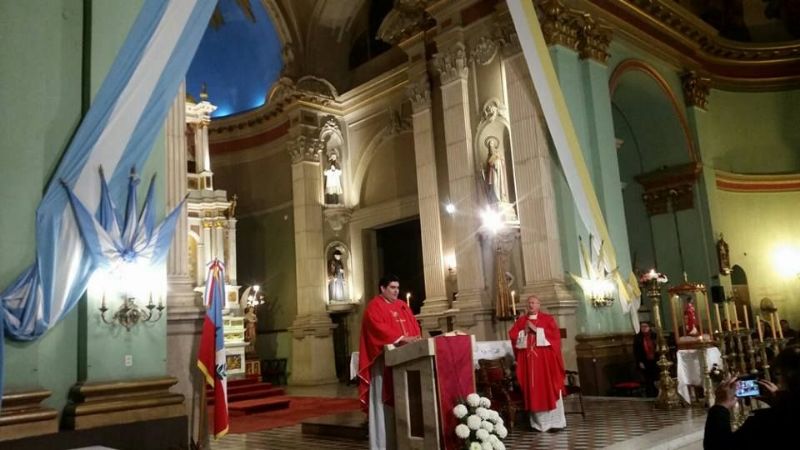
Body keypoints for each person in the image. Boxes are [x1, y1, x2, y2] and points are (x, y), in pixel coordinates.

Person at [358, 274, 422, 450]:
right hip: (384, 364)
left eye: (397, 288)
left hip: (405, 363)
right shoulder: (374, 307)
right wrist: (401, 338)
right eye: (392, 288)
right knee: (383, 405)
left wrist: (414, 338)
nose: (396, 291)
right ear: (382, 288)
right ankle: (382, 445)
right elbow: (377, 330)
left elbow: (415, 327)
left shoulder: (403, 306)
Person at [704, 345, 800, 450]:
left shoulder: (765, 423)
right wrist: (782, 404)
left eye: (778, 375)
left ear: (788, 377)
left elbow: (718, 446)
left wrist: (720, 406)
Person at [509, 295, 566, 432]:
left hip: (546, 364)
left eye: (533, 303)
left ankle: (556, 423)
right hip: (529, 364)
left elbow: (555, 338)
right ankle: (538, 424)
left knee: (549, 386)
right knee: (534, 389)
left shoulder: (548, 319)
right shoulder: (521, 321)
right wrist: (524, 331)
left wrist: (536, 329)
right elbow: (513, 337)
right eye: (529, 303)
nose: (531, 305)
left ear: (539, 304)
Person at [633, 321, 659, 397]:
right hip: (644, 361)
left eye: (645, 326)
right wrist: (639, 362)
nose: (644, 328)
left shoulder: (654, 335)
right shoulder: (637, 337)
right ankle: (650, 396)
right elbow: (636, 351)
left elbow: (657, 345)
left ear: (649, 327)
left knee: (655, 378)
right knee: (648, 380)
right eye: (642, 327)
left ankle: (657, 394)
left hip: (654, 360)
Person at [484, 136, 509, 205]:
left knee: (498, 185)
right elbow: (488, 168)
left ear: (494, 146)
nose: (491, 147)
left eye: (492, 145)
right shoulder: (488, 157)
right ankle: (495, 199)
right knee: (494, 186)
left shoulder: (498, 154)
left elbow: (502, 163)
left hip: (498, 173)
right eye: (490, 146)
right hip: (492, 175)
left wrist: (497, 163)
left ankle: (500, 198)